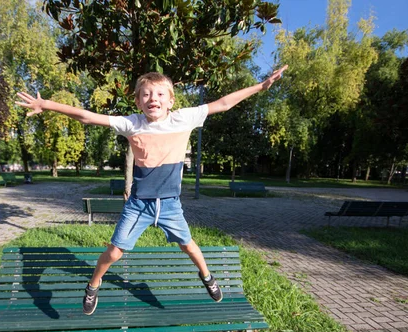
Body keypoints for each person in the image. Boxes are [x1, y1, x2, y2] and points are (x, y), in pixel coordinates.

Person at [16, 64, 288, 315]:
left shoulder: (184, 118)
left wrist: (261, 86)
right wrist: (46, 104)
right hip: (138, 205)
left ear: (171, 100)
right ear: (137, 101)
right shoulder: (131, 123)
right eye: (145, 94)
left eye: (159, 94)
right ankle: (93, 285)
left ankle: (207, 276)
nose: (152, 98)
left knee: (189, 246)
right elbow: (87, 117)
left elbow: (224, 103)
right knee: (114, 252)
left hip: (170, 204)